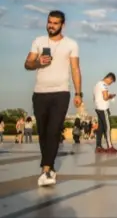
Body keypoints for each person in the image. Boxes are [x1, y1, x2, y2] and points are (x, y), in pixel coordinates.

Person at [24, 10, 82, 187]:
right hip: (40, 92)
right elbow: (27, 64)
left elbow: (75, 69)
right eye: (50, 22)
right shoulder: (38, 41)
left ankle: (46, 168)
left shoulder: (71, 44)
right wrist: (38, 63)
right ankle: (48, 165)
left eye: (56, 23)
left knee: (54, 130)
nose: (51, 25)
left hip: (61, 93)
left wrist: (79, 93)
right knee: (42, 132)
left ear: (62, 25)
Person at [93, 72, 117, 154]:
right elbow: (105, 97)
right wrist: (110, 96)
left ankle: (98, 146)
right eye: (111, 82)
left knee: (100, 128)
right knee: (107, 127)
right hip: (103, 108)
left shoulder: (97, 84)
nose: (110, 84)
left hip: (98, 108)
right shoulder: (103, 85)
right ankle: (110, 147)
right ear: (109, 78)